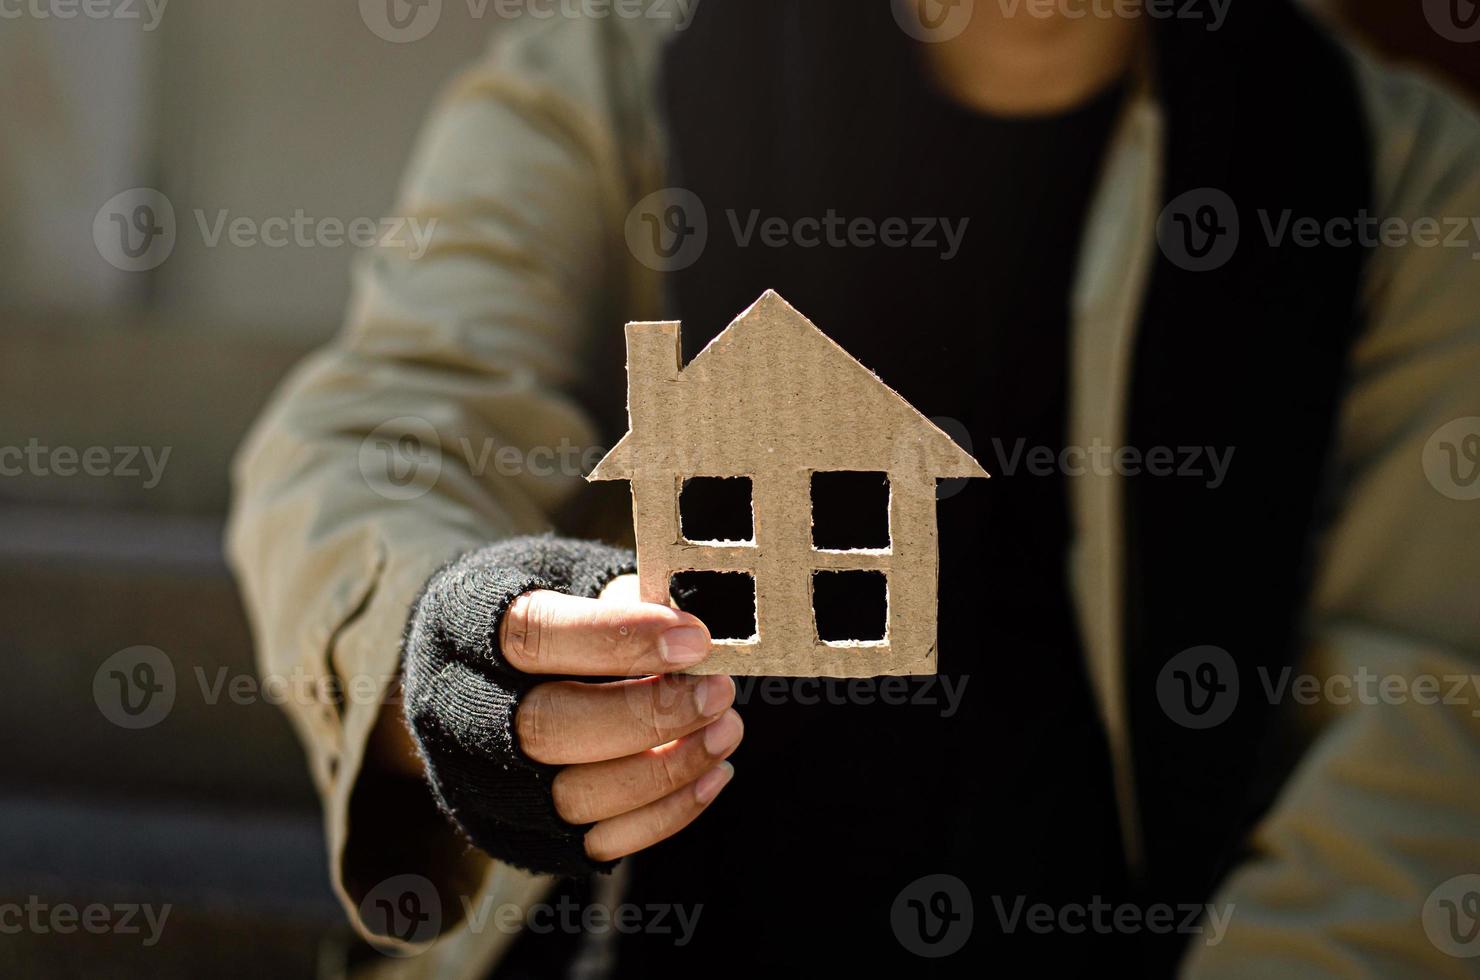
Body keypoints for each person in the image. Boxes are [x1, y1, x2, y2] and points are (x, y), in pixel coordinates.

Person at [227, 1, 1480, 975]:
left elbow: (1422, 720)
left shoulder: (1409, 187)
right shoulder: (620, 78)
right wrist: (446, 650)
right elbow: (384, 426)